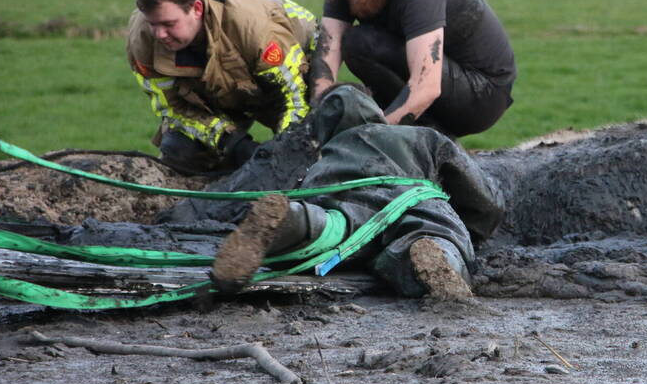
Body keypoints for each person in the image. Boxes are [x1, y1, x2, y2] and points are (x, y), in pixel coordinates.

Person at [181, 84, 506, 300]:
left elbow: (311, 191)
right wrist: (472, 230)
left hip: (343, 201)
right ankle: (433, 253)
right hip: (411, 196)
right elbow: (483, 199)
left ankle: (294, 221)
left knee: (329, 229)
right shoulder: (422, 137)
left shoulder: (325, 161)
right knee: (433, 231)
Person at [309, 0, 516, 137]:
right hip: (441, 82)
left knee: (363, 43)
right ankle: (411, 129)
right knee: (355, 43)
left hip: (483, 95)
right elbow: (327, 57)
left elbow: (427, 85)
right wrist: (318, 118)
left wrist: (375, 138)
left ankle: (418, 133)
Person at [126, 0, 318, 175]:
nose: (160, 34)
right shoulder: (142, 40)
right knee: (179, 149)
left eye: (169, 24)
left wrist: (283, 152)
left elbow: (295, 99)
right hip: (218, 87)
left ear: (197, 9)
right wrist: (233, 142)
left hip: (289, 65)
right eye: (154, 24)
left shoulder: (255, 30)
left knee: (304, 150)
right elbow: (173, 108)